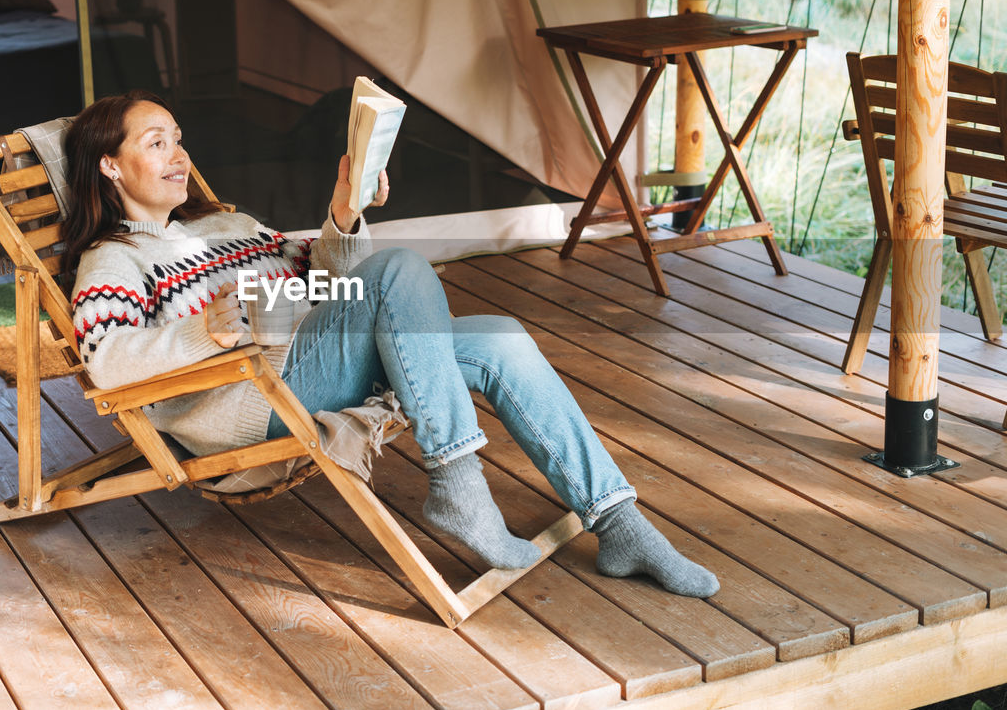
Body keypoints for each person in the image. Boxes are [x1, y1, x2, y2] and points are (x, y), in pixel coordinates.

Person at [62, 90, 719, 598]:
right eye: (157, 143)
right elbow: (108, 361)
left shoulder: (225, 222)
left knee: (502, 339)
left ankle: (619, 523)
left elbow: (328, 278)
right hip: (255, 402)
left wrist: (345, 212)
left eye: (179, 139)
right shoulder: (111, 262)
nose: (179, 155)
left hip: (315, 355)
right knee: (398, 271)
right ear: (111, 164)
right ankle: (458, 485)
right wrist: (197, 330)